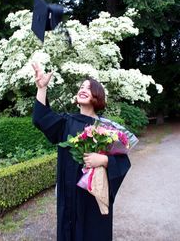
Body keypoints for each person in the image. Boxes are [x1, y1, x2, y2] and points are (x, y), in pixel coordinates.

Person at [32, 63, 134, 241]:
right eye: (81, 87)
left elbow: (124, 162)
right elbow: (41, 118)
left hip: (93, 198)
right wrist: (42, 88)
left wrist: (102, 160)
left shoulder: (107, 128)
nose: (83, 89)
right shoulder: (66, 122)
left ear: (98, 95)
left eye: (89, 87)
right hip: (69, 195)